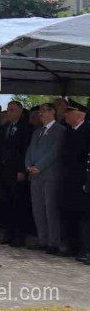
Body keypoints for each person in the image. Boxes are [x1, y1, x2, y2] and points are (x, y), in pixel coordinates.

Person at [25, 102, 66, 255]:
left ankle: (53, 242)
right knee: (38, 209)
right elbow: (29, 150)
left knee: (51, 210)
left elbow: (55, 152)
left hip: (50, 175)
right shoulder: (37, 131)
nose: (40, 113)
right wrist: (28, 165)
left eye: (43, 111)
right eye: (40, 110)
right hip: (35, 176)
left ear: (52, 112)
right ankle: (42, 239)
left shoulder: (60, 130)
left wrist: (39, 167)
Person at [0, 101, 32, 247]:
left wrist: (22, 170)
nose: (9, 112)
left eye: (12, 110)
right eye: (8, 110)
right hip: (5, 170)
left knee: (18, 203)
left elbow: (25, 150)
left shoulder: (26, 127)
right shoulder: (6, 127)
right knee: (6, 203)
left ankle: (19, 235)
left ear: (20, 111)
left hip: (17, 170)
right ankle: (8, 233)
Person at [62, 102, 90, 262]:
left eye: (69, 113)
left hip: (84, 180)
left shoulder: (87, 130)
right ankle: (77, 246)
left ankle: (86, 249)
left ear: (79, 115)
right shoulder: (70, 132)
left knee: (85, 216)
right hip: (71, 180)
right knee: (73, 213)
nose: (65, 115)